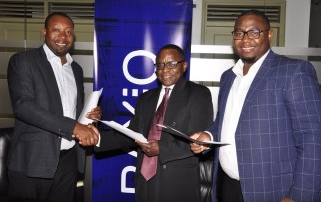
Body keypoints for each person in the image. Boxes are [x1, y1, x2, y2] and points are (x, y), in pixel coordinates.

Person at [190, 10, 321, 202]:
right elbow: (224, 121)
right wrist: (209, 136)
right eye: (239, 33)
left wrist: (299, 196)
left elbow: (313, 138)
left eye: (254, 32)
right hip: (226, 186)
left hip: (272, 190)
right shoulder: (229, 76)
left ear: (269, 35)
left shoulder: (293, 71)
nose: (245, 39)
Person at [95, 44, 214, 202]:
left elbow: (198, 141)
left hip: (176, 182)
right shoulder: (146, 98)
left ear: (184, 66)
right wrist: (98, 138)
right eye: (160, 65)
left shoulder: (198, 94)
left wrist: (161, 148)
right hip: (145, 179)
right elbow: (132, 133)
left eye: (172, 64)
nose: (164, 70)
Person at [7, 12, 101, 202]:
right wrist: (73, 127)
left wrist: (89, 116)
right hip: (32, 161)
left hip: (68, 161)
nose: (63, 37)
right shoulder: (24, 61)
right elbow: (23, 106)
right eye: (56, 30)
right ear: (44, 32)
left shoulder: (76, 69)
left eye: (68, 32)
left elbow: (73, 111)